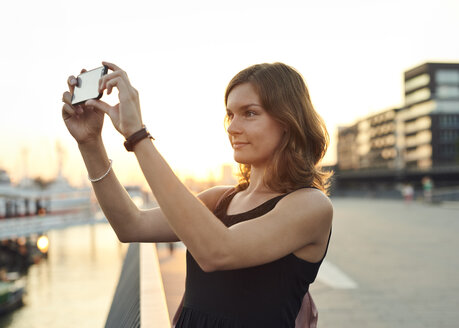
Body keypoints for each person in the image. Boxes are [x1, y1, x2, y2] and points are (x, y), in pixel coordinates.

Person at [61, 61, 333, 327]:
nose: (232, 127)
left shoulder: (311, 205)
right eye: (230, 114)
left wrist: (137, 136)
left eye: (249, 113)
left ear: (288, 121)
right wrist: (90, 143)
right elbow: (131, 225)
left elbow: (217, 251)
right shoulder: (220, 199)